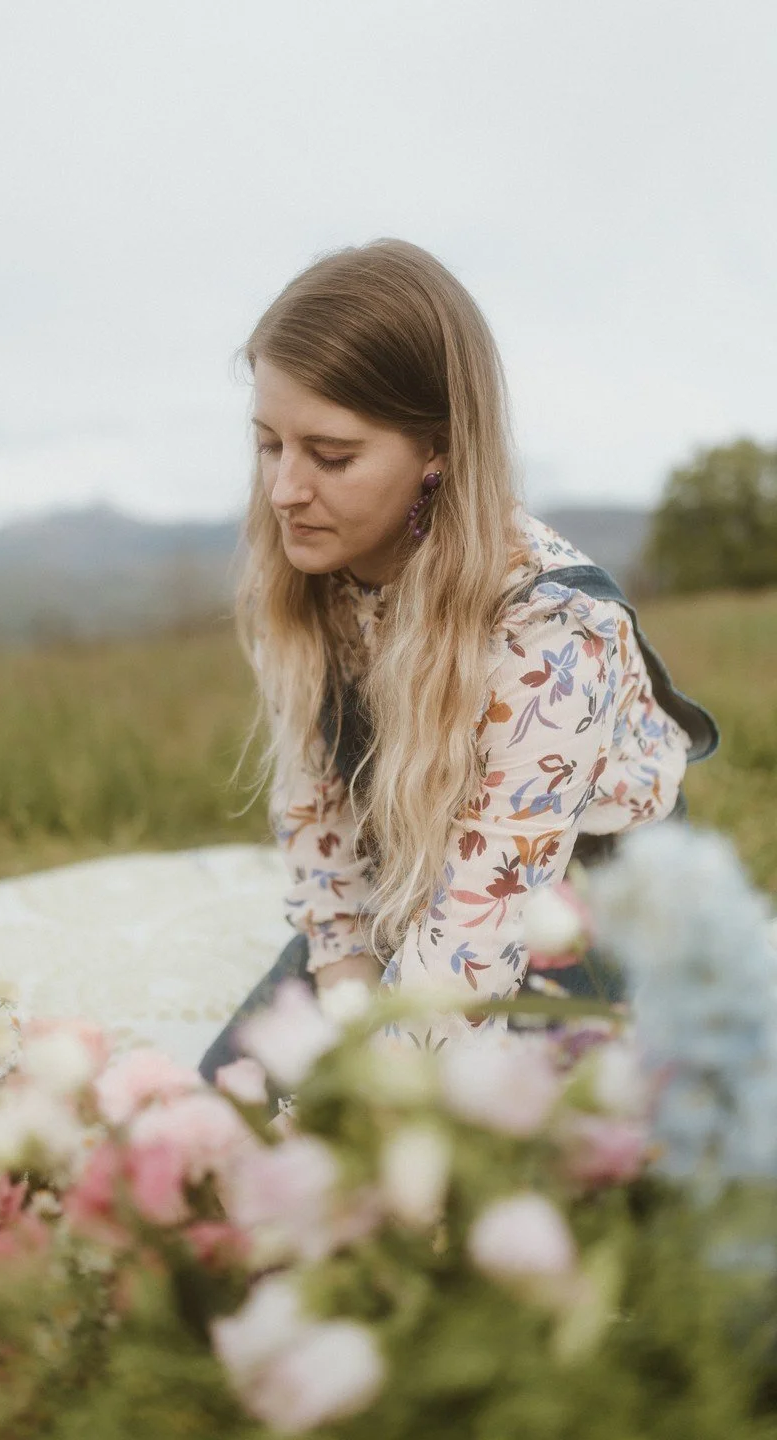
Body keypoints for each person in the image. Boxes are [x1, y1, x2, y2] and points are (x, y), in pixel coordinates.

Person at [199, 238, 719, 1085]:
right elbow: (317, 811)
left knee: (478, 1138)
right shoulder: (300, 577)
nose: (285, 490)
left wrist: (363, 1097)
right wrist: (347, 997)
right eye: (269, 444)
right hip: (410, 871)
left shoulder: (555, 626)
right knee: (230, 1104)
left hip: (573, 905)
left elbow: (476, 944)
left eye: (331, 456)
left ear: (435, 450)